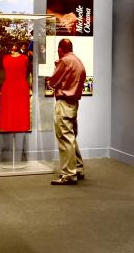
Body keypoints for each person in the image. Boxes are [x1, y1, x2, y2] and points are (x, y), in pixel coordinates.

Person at [48, 39, 86, 185]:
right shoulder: (78, 61)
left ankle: (69, 174)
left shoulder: (64, 61)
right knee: (70, 137)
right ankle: (78, 168)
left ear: (60, 49)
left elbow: (52, 82)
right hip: (74, 103)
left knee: (64, 138)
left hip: (64, 102)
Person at [0, 43, 30, 132]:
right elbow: (26, 72)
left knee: (10, 110)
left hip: (9, 86)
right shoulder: (24, 58)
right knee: (20, 110)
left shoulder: (5, 59)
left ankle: (9, 128)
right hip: (21, 86)